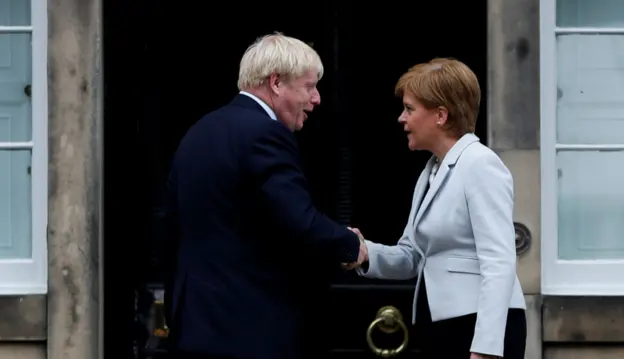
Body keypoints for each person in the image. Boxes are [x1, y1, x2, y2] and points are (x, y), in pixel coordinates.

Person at [157, 32, 366, 359]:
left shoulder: (201, 130)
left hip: (193, 326)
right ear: (276, 83)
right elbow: (298, 220)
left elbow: (172, 232)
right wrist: (352, 244)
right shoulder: (264, 134)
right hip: (246, 330)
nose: (317, 99)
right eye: (309, 87)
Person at [348, 58, 527, 359]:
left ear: (441, 115)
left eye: (409, 108)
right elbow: (412, 256)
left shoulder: (480, 163)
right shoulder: (432, 171)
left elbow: (499, 259)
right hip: (441, 326)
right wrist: (365, 253)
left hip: (478, 329)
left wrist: (486, 348)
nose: (401, 119)